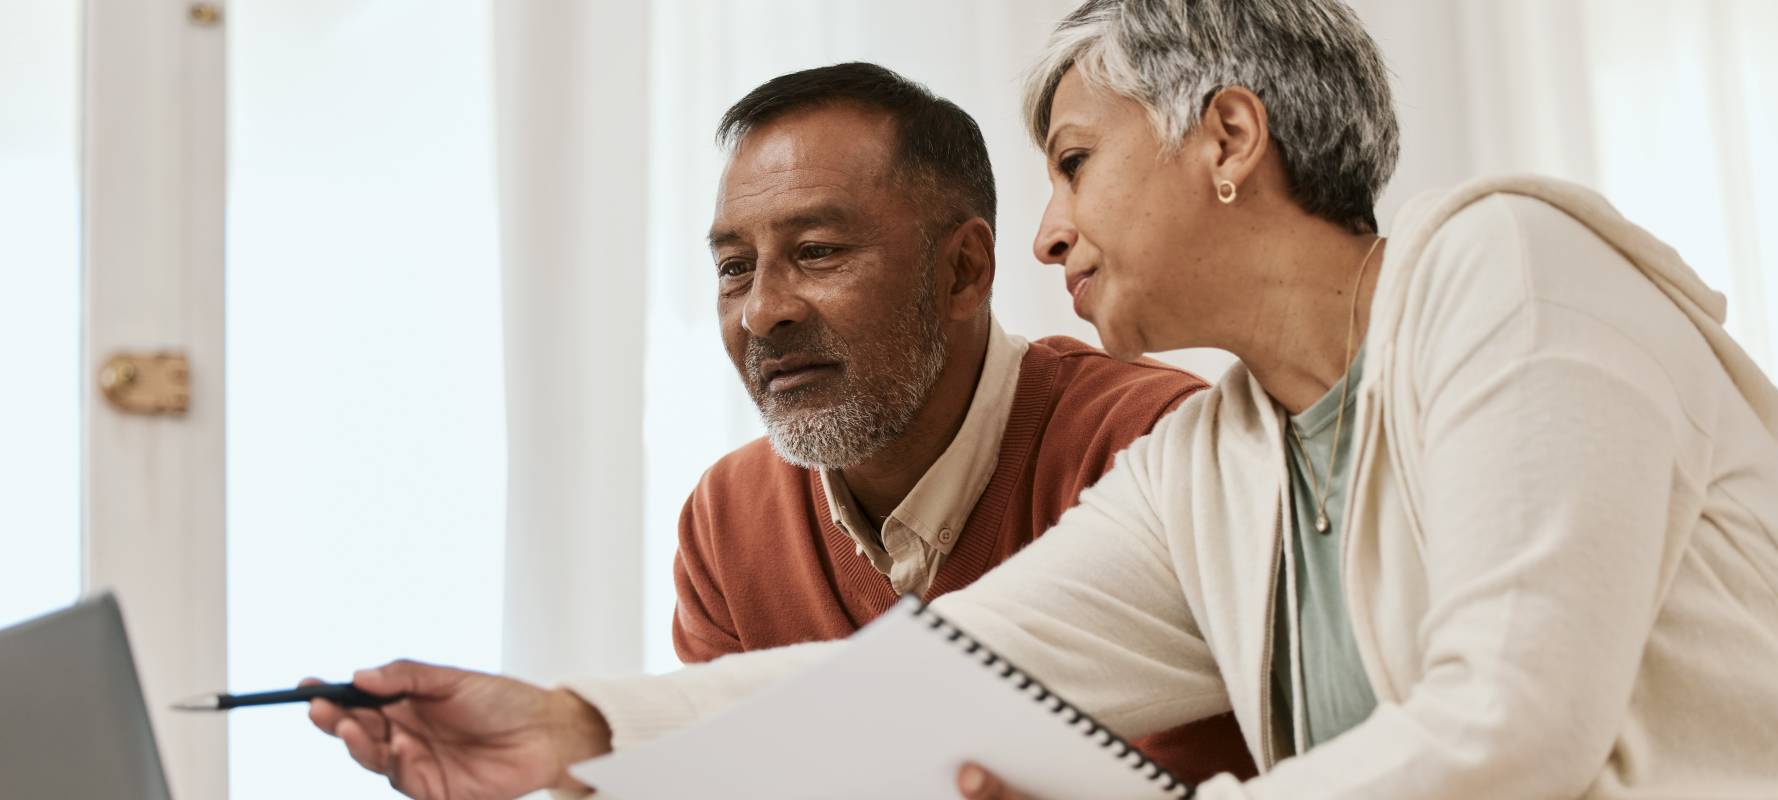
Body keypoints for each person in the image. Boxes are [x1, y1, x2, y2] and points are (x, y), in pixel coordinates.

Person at [310, 2, 1778, 798]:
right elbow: (938, 670)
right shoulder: (1222, 462)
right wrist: (572, 723)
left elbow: (1513, 728)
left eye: (1076, 161)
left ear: (1229, 137)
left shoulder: (1505, 266)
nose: (1044, 235)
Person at [305, 59, 1255, 796]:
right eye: (731, 268)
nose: (762, 312)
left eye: (815, 252)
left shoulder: (1153, 450)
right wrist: (567, 745)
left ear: (965, 272)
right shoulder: (728, 520)